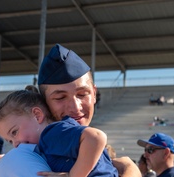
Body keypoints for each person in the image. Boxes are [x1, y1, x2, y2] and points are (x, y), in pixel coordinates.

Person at [37, 44, 141, 177]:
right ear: (43, 103)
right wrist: (130, 169)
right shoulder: (33, 156)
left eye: (82, 94)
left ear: (94, 94)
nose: (75, 107)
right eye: (60, 97)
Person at [0, 90, 118, 177]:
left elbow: (96, 137)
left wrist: (72, 176)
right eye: (10, 141)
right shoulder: (53, 138)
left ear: (37, 115)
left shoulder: (51, 133)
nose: (15, 144)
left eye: (14, 132)